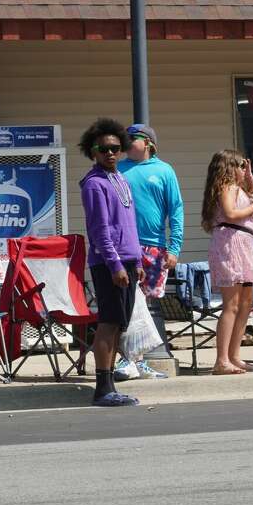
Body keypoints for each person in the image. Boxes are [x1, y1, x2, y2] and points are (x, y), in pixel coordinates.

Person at [78, 118, 141, 407]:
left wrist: (136, 259)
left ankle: (111, 384)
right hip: (108, 263)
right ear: (93, 152)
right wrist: (115, 264)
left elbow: (128, 223)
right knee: (108, 322)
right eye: (103, 149)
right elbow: (100, 230)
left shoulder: (120, 179)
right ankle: (102, 387)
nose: (110, 153)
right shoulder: (94, 184)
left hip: (128, 261)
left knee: (118, 325)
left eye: (115, 148)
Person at [114, 123, 183, 380]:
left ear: (148, 143)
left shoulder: (164, 171)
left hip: (154, 247)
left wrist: (174, 248)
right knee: (128, 303)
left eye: (133, 138)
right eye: (126, 138)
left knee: (146, 303)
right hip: (125, 246)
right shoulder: (118, 169)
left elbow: (176, 210)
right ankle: (128, 359)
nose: (127, 142)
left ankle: (136, 360)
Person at [201, 149, 253, 375]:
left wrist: (250, 178)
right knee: (231, 304)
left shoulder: (240, 187)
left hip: (244, 247)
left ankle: (234, 355)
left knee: (246, 303)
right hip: (230, 245)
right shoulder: (227, 187)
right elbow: (231, 213)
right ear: (229, 168)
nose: (244, 169)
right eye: (241, 166)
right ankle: (221, 360)